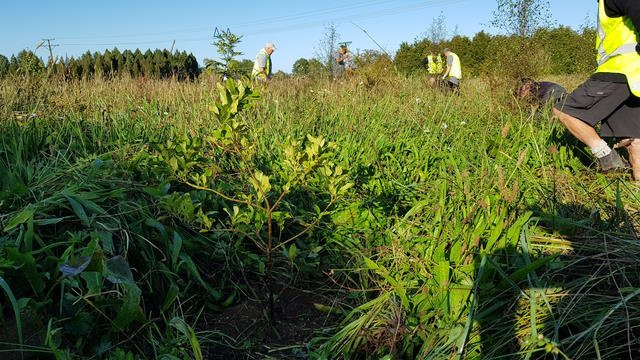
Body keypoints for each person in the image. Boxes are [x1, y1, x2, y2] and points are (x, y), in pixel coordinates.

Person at [553, 0, 640, 180]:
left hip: (620, 71)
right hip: (633, 75)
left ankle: (607, 157)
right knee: (634, 142)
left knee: (563, 110)